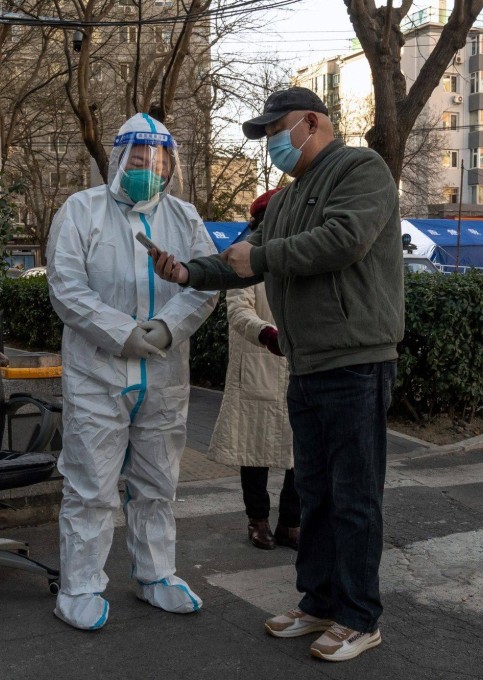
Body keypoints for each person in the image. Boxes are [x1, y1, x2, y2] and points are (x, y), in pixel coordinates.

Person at [149, 86, 404, 662]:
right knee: (314, 492)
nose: (271, 144)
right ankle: (318, 602)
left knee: (354, 496)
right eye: (265, 135)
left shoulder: (361, 169)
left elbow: (344, 240)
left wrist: (260, 259)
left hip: (357, 358)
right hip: (306, 361)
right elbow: (241, 256)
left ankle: (360, 617)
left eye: (275, 130)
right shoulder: (288, 198)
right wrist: (189, 272)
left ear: (312, 121)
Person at [46, 113, 218, 631]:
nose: (148, 169)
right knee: (91, 485)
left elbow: (206, 282)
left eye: (158, 161)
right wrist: (122, 331)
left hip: (163, 375)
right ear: (119, 160)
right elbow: (66, 287)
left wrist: (167, 327)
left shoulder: (184, 218)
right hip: (98, 373)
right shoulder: (83, 211)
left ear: (171, 167)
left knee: (157, 482)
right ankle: (79, 585)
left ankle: (156, 574)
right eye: (138, 160)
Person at [206, 188, 300, 551]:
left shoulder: (296, 255)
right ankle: (257, 521)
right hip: (259, 365)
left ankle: (291, 523)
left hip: (296, 368)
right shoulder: (245, 261)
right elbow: (237, 310)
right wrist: (266, 332)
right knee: (253, 451)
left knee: (300, 455)